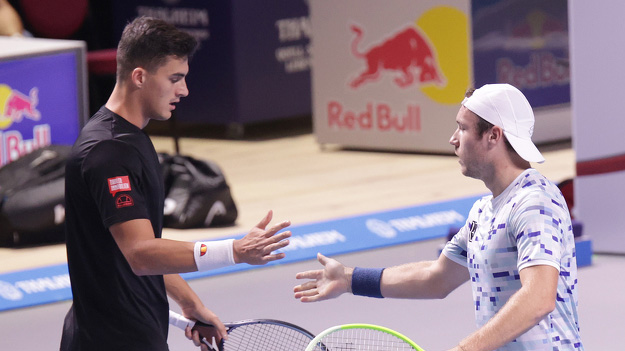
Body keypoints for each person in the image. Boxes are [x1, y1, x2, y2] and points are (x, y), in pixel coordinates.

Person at [61, 16, 292, 351]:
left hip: (128, 329)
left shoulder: (127, 139)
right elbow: (141, 254)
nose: (184, 90)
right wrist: (235, 251)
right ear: (139, 76)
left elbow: (138, 244)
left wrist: (188, 302)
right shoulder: (108, 152)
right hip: (114, 338)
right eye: (175, 79)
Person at [294, 84, 583, 351]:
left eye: (462, 128)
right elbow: (437, 277)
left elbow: (539, 298)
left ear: (493, 135)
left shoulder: (534, 203)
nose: (453, 139)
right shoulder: (482, 212)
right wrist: (349, 279)